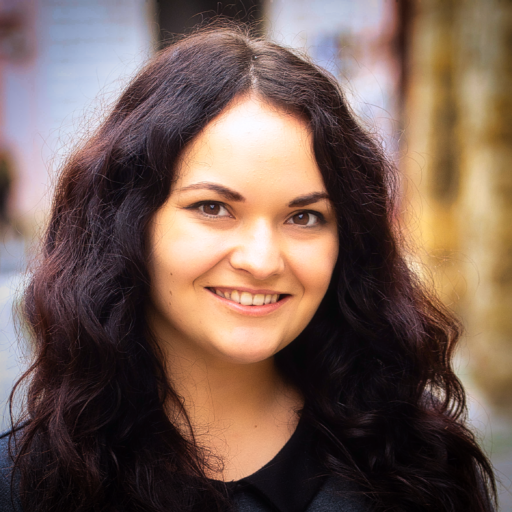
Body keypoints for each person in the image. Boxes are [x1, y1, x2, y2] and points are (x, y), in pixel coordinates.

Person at [0, 24, 496, 512]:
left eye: (304, 217)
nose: (261, 261)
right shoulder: (28, 483)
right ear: (128, 221)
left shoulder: (418, 467)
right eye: (213, 208)